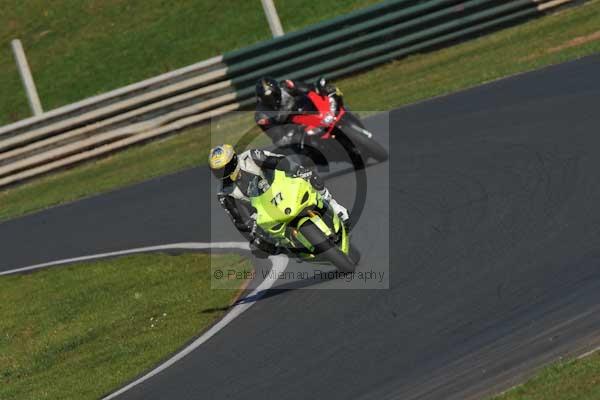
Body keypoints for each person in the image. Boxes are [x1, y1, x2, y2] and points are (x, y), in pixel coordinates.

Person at [208, 144, 350, 257]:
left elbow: (277, 160)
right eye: (218, 171)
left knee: (311, 178)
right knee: (261, 247)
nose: (222, 174)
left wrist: (298, 171)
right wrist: (254, 236)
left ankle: (334, 206)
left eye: (225, 168)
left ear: (233, 161)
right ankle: (291, 248)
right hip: (263, 212)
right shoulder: (224, 193)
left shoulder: (250, 157)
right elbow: (238, 219)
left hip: (282, 186)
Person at [254, 77, 343, 147]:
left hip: (305, 113)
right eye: (267, 98)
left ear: (278, 89)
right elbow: (277, 136)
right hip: (291, 129)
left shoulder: (286, 86)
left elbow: (309, 88)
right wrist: (293, 132)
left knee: (331, 96)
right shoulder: (261, 114)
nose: (272, 99)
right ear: (261, 99)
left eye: (274, 95)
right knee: (290, 146)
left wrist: (320, 90)